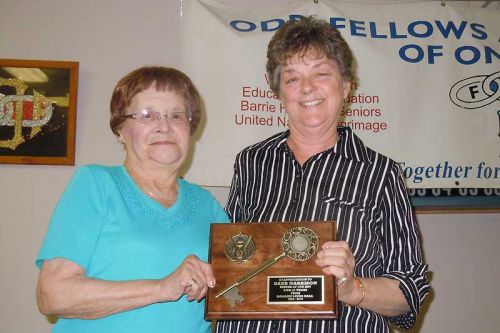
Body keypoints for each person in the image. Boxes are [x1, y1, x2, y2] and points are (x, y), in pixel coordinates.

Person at [216, 16, 430, 333]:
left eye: (322, 74)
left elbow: (408, 294)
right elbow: (232, 265)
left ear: (345, 87)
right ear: (278, 93)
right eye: (292, 78)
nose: (307, 88)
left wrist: (351, 289)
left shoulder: (380, 173)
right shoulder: (251, 163)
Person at [36, 66, 228, 333]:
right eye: (147, 115)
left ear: (190, 127)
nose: (164, 126)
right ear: (121, 130)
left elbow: (238, 289)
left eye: (176, 115)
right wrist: (162, 287)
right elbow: (52, 295)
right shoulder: (96, 185)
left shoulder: (208, 205)